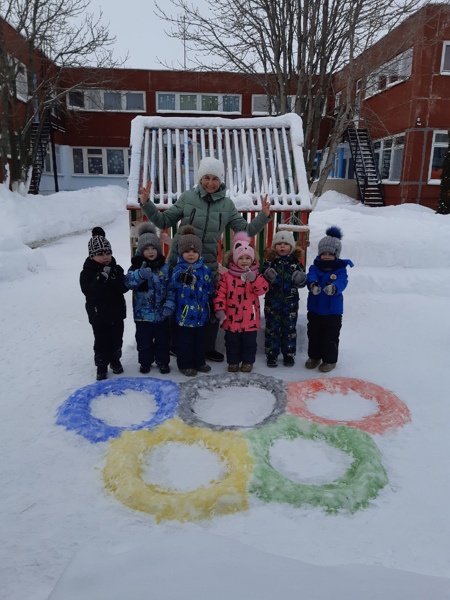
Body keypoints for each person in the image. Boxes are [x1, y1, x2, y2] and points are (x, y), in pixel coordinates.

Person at [138, 156, 272, 362]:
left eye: (215, 179)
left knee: (210, 305)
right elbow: (164, 220)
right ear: (200, 178)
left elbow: (244, 230)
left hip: (207, 263)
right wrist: (146, 203)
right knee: (178, 301)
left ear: (221, 181)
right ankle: (175, 345)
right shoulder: (188, 197)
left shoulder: (227, 205)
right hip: (180, 261)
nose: (210, 183)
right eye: (206, 178)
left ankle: (208, 347)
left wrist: (263, 216)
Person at [214, 232, 269, 373]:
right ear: (234, 259)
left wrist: (254, 279)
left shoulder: (256, 275)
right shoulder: (227, 276)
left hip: (249, 319)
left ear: (252, 259)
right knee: (232, 343)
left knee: (249, 343)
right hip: (231, 319)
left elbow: (263, 289)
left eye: (247, 258)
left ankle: (247, 362)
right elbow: (220, 294)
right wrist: (220, 309)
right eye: (241, 258)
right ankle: (233, 362)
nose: (244, 261)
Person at [125, 222, 175, 375]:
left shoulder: (165, 269)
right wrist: (139, 275)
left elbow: (171, 288)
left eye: (153, 248)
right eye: (146, 249)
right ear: (141, 250)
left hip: (161, 314)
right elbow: (127, 283)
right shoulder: (135, 268)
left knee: (162, 340)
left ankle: (162, 362)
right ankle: (145, 362)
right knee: (144, 341)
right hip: (143, 315)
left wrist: (169, 304)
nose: (151, 251)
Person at [80, 227, 128, 381]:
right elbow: (89, 292)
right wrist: (100, 279)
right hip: (99, 314)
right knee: (101, 340)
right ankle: (101, 365)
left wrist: (117, 278)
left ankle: (115, 360)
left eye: (108, 253)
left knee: (116, 338)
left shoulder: (116, 269)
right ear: (92, 256)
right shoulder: (87, 273)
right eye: (100, 254)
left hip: (116, 312)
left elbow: (123, 288)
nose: (106, 257)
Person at [305, 226, 354, 373]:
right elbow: (311, 276)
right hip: (314, 309)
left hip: (333, 311)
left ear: (336, 254)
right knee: (313, 334)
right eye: (323, 253)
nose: (326, 256)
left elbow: (342, 281)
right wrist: (312, 284)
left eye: (330, 254)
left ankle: (329, 360)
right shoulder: (315, 267)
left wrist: (334, 287)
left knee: (330, 336)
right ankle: (314, 357)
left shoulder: (340, 269)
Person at [172, 225, 214, 377]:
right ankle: (185, 364)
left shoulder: (205, 269)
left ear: (199, 252)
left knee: (199, 341)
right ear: (181, 253)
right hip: (185, 316)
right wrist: (183, 278)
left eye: (194, 251)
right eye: (187, 251)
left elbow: (210, 288)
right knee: (185, 342)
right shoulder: (179, 269)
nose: (191, 254)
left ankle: (199, 362)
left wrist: (212, 305)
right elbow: (174, 282)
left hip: (201, 315)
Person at [262, 230, 307, 368]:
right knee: (272, 329)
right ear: (274, 246)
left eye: (286, 244)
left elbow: (302, 281)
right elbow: (262, 279)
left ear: (291, 247)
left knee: (289, 330)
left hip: (290, 303)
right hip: (272, 303)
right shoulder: (270, 263)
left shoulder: (296, 263)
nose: (282, 247)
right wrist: (266, 275)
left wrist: (300, 279)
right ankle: (272, 355)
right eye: (279, 244)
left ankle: (288, 355)